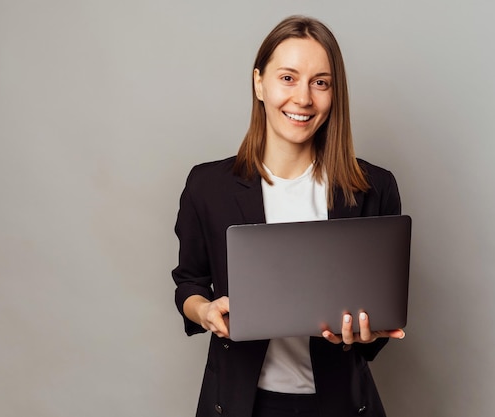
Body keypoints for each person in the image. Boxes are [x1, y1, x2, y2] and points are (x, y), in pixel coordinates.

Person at [172, 15, 405, 417]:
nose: (303, 98)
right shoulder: (207, 186)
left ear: (335, 94)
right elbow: (189, 283)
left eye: (320, 82)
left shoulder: (374, 188)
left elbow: (376, 328)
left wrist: (363, 335)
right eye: (287, 78)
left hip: (341, 404)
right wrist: (205, 311)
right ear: (259, 83)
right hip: (241, 402)